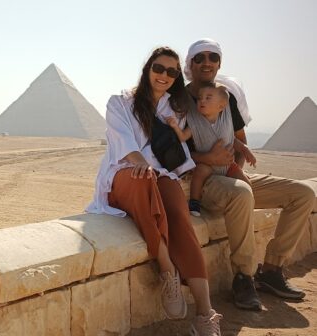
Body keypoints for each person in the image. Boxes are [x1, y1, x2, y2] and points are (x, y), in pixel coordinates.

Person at [87, 46, 222, 336]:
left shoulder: (174, 111)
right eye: (158, 68)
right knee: (144, 179)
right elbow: (124, 143)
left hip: (158, 177)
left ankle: (205, 313)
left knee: (179, 213)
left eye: (171, 72)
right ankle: (167, 269)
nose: (164, 75)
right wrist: (142, 165)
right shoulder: (120, 103)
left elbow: (179, 152)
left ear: (176, 77)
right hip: (122, 175)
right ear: (147, 68)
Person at [184, 38, 314, 311]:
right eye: (199, 58)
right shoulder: (179, 101)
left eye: (213, 57)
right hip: (200, 180)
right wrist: (207, 159)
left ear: (219, 64)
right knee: (242, 193)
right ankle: (243, 277)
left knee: (303, 193)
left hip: (229, 175)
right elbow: (168, 153)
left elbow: (240, 141)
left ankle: (272, 270)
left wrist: (236, 169)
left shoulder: (226, 98)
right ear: (190, 64)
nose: (207, 62)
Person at [166, 82, 256, 217]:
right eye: (199, 98)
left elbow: (232, 140)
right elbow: (183, 137)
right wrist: (175, 127)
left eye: (208, 98)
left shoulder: (224, 123)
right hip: (206, 164)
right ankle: (194, 202)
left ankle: (249, 206)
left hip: (228, 166)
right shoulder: (195, 124)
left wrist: (245, 150)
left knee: (246, 184)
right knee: (199, 173)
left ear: (221, 106)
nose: (202, 101)